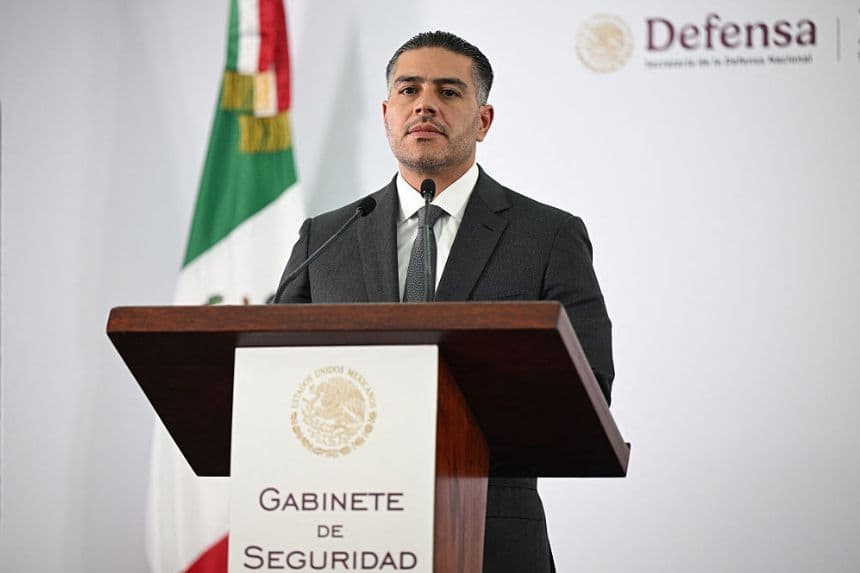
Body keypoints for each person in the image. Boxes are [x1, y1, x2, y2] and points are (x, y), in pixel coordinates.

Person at [275, 30, 613, 573]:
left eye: (449, 92)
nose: (425, 103)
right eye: (409, 90)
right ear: (387, 113)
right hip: (343, 529)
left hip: (490, 533)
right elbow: (276, 375)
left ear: (483, 120)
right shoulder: (327, 237)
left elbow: (590, 386)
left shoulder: (547, 235)